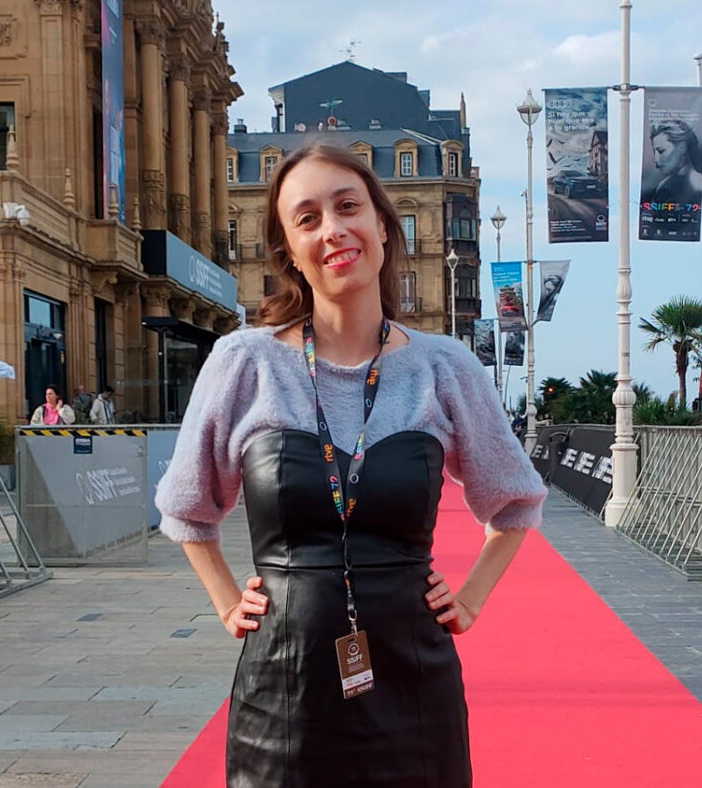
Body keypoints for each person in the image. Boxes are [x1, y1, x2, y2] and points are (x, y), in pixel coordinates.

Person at [154, 143, 546, 786]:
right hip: (281, 691)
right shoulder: (244, 362)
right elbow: (185, 506)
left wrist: (470, 599)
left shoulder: (443, 366)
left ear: (383, 227)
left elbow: (515, 500)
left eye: (347, 206)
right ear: (288, 251)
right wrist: (227, 601)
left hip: (414, 683)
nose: (332, 229)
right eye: (306, 218)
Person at [644, 119, 702, 206]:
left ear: (682, 148)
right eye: (654, 152)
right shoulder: (663, 185)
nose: (656, 160)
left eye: (661, 151)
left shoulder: (698, 184)